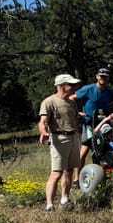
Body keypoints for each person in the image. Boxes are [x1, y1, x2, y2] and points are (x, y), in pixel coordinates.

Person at [71, 67, 113, 186]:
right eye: (101, 76)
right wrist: (76, 112)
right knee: (84, 151)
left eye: (105, 76)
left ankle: (101, 176)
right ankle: (77, 179)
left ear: (108, 78)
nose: (103, 78)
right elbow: (71, 98)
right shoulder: (88, 89)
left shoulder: (109, 92)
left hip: (104, 124)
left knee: (103, 150)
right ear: (97, 77)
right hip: (89, 124)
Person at [38, 74, 82, 211]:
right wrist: (43, 132)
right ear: (62, 86)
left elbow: (74, 117)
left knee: (69, 170)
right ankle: (49, 206)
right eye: (72, 85)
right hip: (59, 139)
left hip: (74, 137)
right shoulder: (49, 101)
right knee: (56, 173)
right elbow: (43, 121)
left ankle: (64, 199)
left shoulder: (71, 102)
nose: (75, 87)